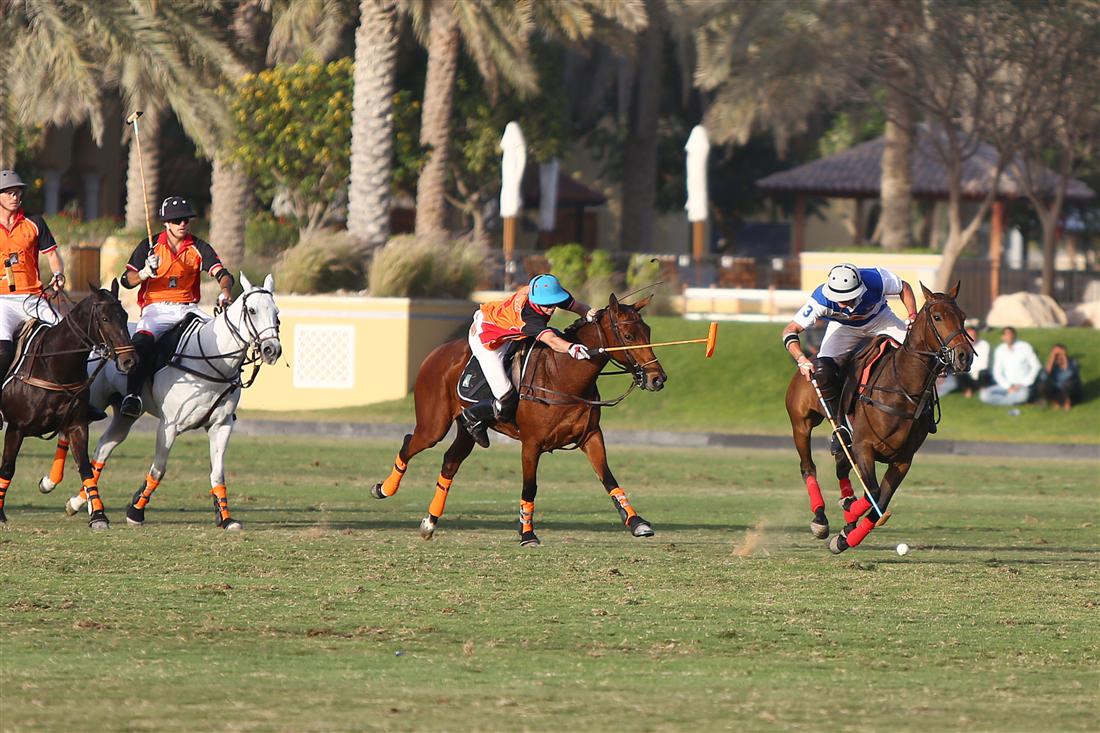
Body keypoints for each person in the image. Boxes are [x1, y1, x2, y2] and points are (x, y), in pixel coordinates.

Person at [118, 196, 234, 418]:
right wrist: (144, 272)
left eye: (186, 220)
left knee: (220, 339)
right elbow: (126, 280)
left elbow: (222, 273)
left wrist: (225, 291)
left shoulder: (198, 247)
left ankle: (226, 395)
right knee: (140, 345)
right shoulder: (149, 246)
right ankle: (132, 396)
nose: (183, 224)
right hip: (156, 309)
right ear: (166, 223)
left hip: (187, 308)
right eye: (177, 220)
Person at [781, 263, 920, 447]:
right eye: (837, 298)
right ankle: (842, 426)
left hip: (881, 319)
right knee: (823, 371)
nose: (841, 303)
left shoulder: (876, 278)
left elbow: (904, 287)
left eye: (846, 298)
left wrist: (912, 315)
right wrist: (801, 359)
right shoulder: (821, 299)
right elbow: (790, 330)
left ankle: (924, 412)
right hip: (844, 328)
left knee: (917, 354)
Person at [461, 273, 597, 447]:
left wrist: (589, 312)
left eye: (554, 303)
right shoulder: (529, 318)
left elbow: (577, 306)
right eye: (547, 306)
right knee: (505, 397)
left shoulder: (548, 294)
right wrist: (571, 348)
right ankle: (472, 417)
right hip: (487, 338)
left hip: (503, 326)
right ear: (536, 300)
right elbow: (552, 341)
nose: (552, 308)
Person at [0, 170, 66, 429]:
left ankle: (81, 398)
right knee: (3, 349)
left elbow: (52, 256)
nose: (15, 197)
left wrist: (59, 274)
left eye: (17, 192)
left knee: (67, 338)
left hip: (32, 296)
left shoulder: (34, 222)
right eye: (9, 192)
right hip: (3, 299)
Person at [979, 327, 1041, 407]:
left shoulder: (1025, 347)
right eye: (1006, 335)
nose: (1008, 337)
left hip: (1022, 386)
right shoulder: (1000, 350)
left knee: (1022, 396)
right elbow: (997, 372)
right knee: (984, 395)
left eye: (1010, 334)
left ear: (1014, 335)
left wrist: (1023, 383)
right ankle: (1011, 400)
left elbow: (1036, 366)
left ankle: (1006, 401)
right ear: (1003, 337)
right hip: (1005, 386)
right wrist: (1008, 387)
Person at [938, 325, 990, 397]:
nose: (971, 338)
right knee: (959, 373)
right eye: (969, 336)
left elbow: (984, 364)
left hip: (979, 373)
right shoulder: (961, 347)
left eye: (973, 335)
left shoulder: (984, 345)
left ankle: (982, 389)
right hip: (966, 372)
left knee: (984, 373)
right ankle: (968, 390)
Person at [1042, 343, 1082, 411]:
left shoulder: (1073, 362)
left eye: (1061, 354)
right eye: (1056, 355)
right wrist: (1052, 357)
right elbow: (1044, 376)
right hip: (1058, 391)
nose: (1059, 357)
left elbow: (1068, 375)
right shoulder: (1052, 364)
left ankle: (1067, 402)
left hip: (1072, 393)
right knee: (1042, 384)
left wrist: (1063, 358)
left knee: (1068, 383)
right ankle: (1056, 401)